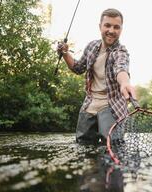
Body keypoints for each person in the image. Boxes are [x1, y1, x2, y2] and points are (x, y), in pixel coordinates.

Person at [57, 8, 136, 144]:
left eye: (116, 27)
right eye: (107, 25)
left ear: (121, 30)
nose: (111, 30)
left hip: (112, 106)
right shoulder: (92, 46)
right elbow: (77, 68)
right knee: (83, 146)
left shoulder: (121, 52)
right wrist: (64, 53)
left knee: (112, 146)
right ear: (100, 26)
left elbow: (121, 68)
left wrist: (124, 83)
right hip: (90, 104)